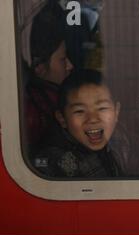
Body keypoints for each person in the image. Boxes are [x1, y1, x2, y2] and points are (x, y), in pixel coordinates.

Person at [33, 69, 122, 178]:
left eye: (102, 108)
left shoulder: (122, 143)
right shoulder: (53, 160)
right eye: (80, 111)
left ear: (116, 112)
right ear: (62, 119)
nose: (93, 119)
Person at [24, 1, 74, 156]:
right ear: (39, 68)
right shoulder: (33, 115)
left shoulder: (50, 99)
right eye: (63, 59)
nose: (70, 66)